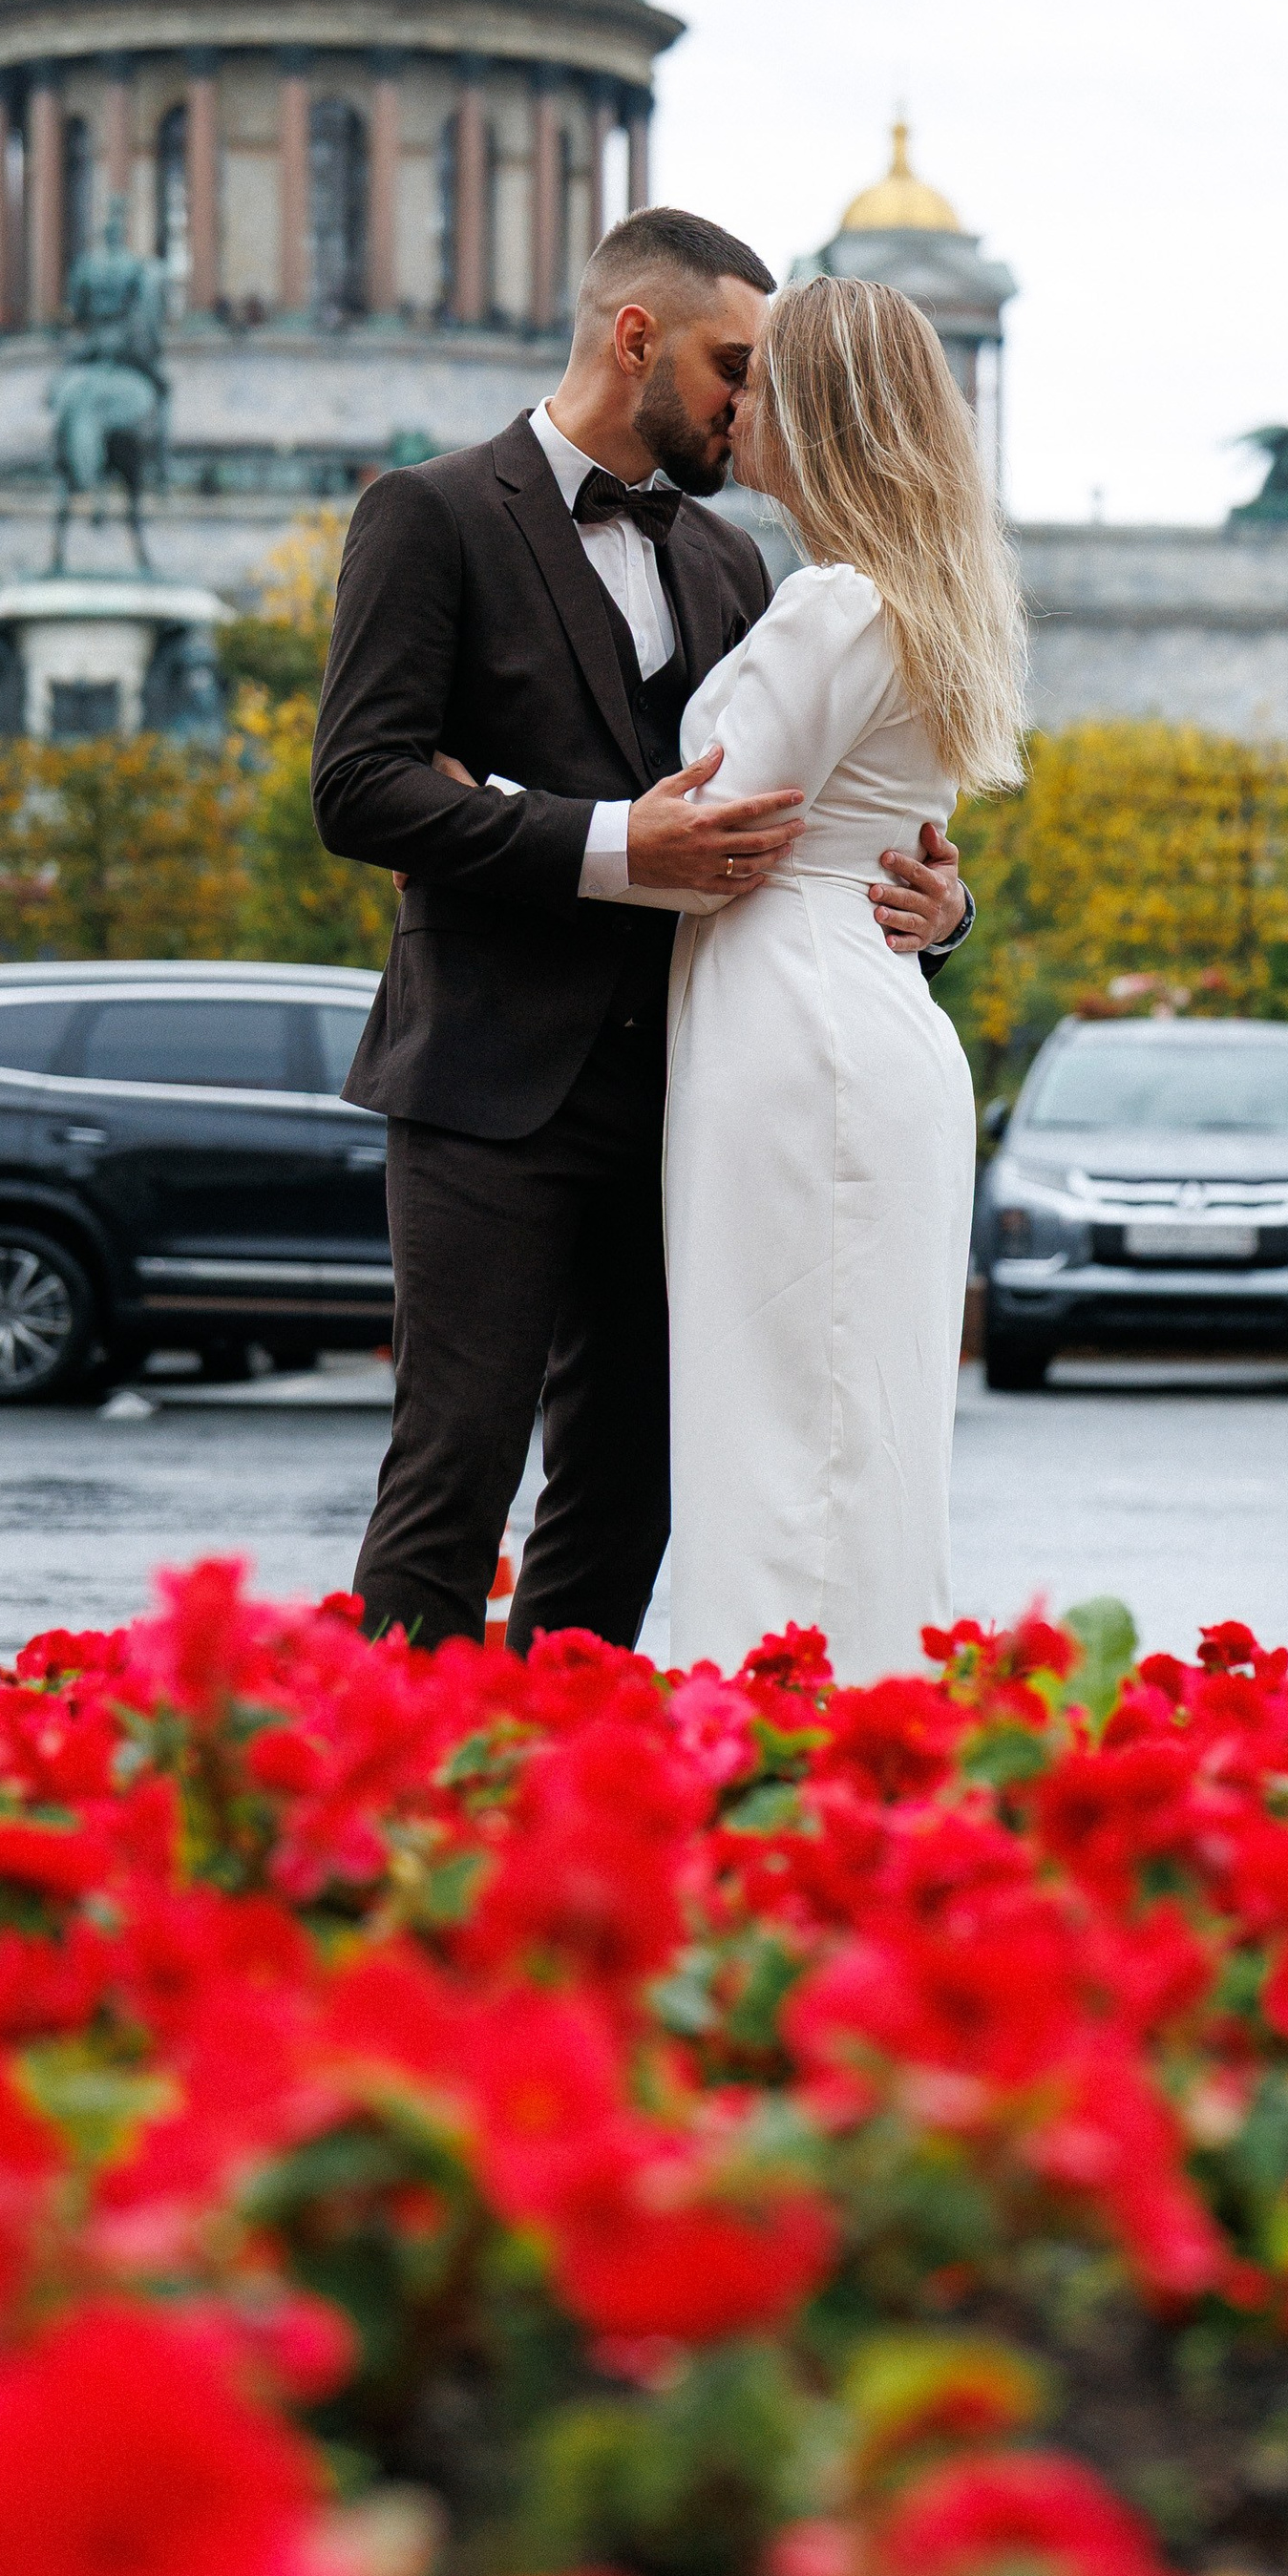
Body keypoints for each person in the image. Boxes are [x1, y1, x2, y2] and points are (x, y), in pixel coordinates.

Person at [310, 207, 973, 1654]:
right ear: (635, 338)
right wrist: (612, 842)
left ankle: (569, 1763)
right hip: (491, 1079)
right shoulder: (429, 513)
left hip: (698, 1091)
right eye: (735, 365)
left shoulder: (735, 564)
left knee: (631, 1491)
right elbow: (358, 784)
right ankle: (391, 1775)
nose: (752, 403)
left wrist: (941, 902)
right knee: (453, 1474)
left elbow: (803, 809)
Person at [660, 274, 1025, 1678]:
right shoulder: (923, 598)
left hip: (794, 1028)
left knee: (779, 1440)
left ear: (816, 410)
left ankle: (783, 1733)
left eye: (758, 383)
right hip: (870, 1013)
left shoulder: (834, 601)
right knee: (858, 1438)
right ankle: (873, 1725)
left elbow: (715, 833)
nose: (734, 407)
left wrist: (491, 818)